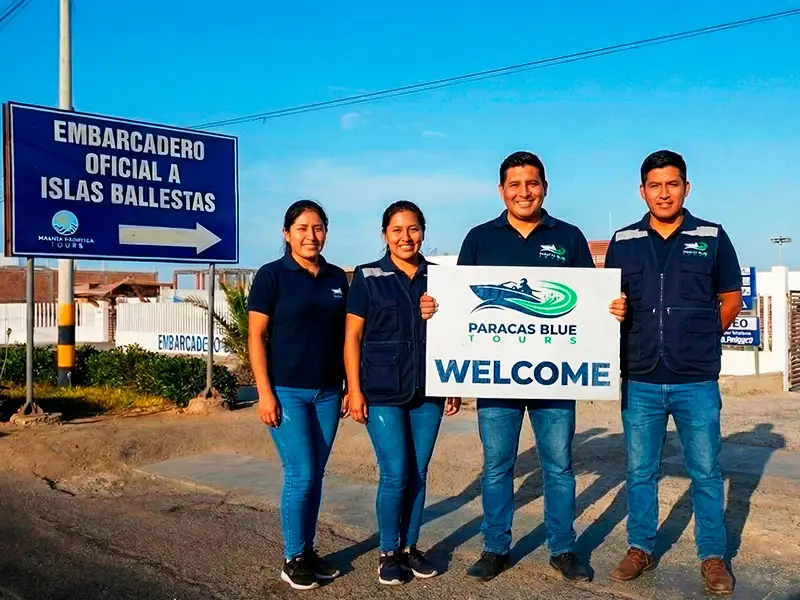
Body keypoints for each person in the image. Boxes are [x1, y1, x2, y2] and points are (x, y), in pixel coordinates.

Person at [421, 151, 626, 583]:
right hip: (496, 381)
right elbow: (460, 306)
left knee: (559, 466)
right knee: (497, 467)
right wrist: (433, 310)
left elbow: (588, 303)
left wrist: (613, 309)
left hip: (556, 379)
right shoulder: (480, 237)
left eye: (532, 183)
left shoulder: (568, 237)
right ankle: (495, 547)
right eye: (515, 184)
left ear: (545, 187)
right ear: (501, 191)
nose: (524, 192)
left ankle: (563, 548)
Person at [604, 150, 741, 594]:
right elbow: (610, 304)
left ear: (686, 187)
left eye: (673, 184)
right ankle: (640, 547)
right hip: (640, 376)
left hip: (695, 380)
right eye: (655, 186)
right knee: (641, 470)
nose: (664, 193)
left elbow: (731, 299)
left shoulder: (712, 236)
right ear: (642, 191)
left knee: (705, 470)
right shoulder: (623, 241)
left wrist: (701, 339)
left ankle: (713, 556)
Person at [344, 200, 462, 586]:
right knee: (395, 473)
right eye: (397, 230)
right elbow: (353, 338)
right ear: (384, 235)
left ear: (423, 232)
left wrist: (454, 385)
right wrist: (355, 390)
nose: (405, 237)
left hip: (428, 390)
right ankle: (388, 551)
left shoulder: (441, 278)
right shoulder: (368, 276)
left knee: (419, 472)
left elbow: (456, 336)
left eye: (412, 229)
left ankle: (411, 547)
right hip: (380, 391)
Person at [248, 199, 350, 591]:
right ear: (286, 233)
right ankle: (292, 558)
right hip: (286, 392)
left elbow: (344, 337)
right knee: (301, 474)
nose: (311, 236)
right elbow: (256, 336)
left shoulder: (337, 278)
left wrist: (346, 386)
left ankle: (307, 551)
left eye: (319, 227)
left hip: (327, 392)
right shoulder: (272, 276)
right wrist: (265, 393)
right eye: (303, 228)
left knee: (316, 476)